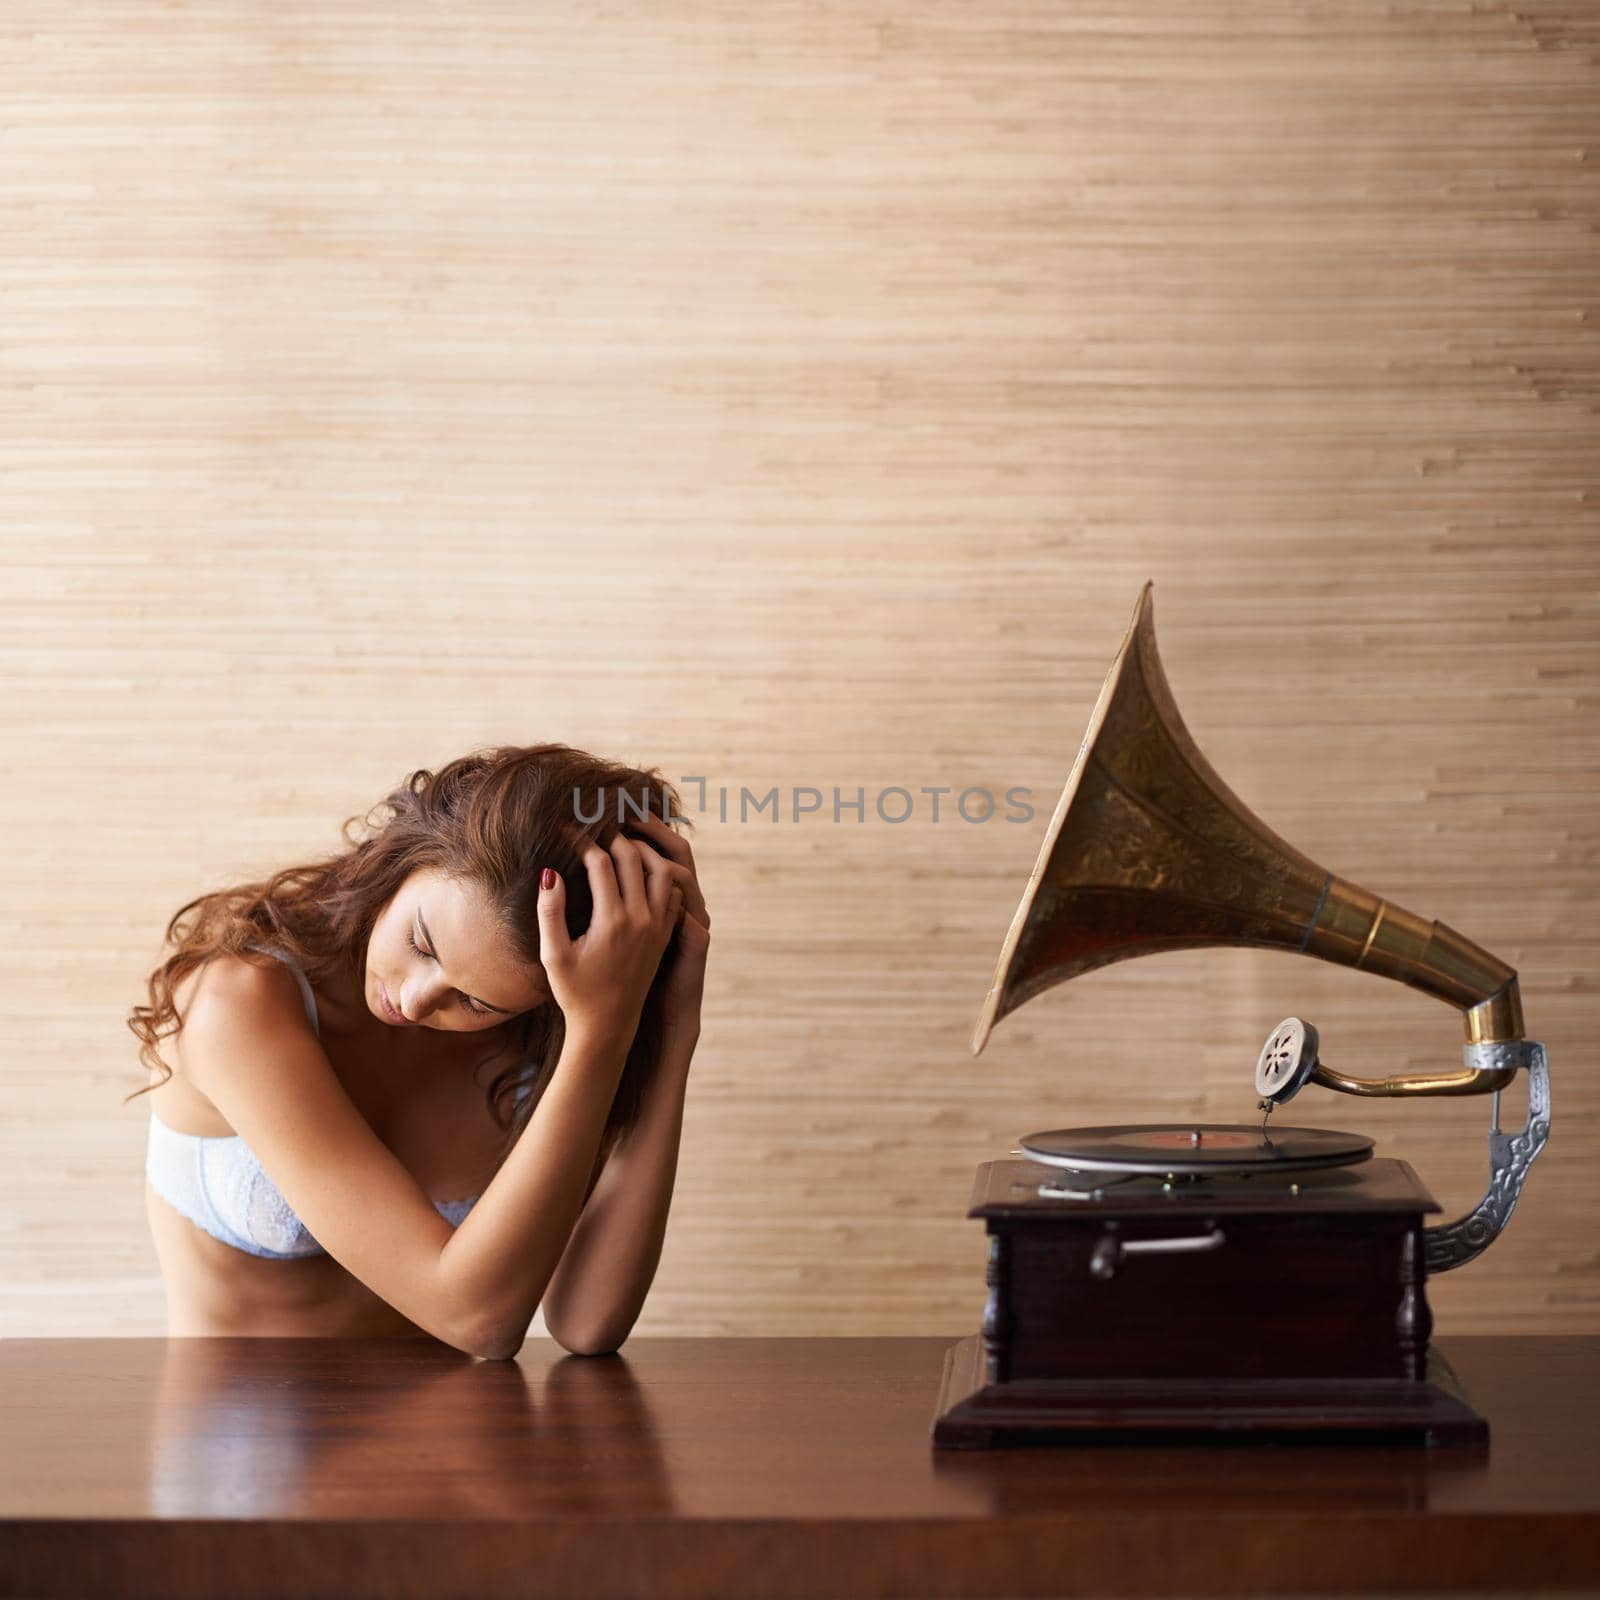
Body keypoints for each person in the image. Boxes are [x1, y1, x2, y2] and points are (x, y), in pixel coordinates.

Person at [126, 743, 710, 1358]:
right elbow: (478, 1321)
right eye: (422, 942)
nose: (416, 998)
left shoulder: (555, 1034)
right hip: (240, 1439)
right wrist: (601, 1029)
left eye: (477, 1003)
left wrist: (662, 1028)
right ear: (407, 856)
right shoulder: (237, 1003)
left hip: (456, 1439)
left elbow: (585, 1322)